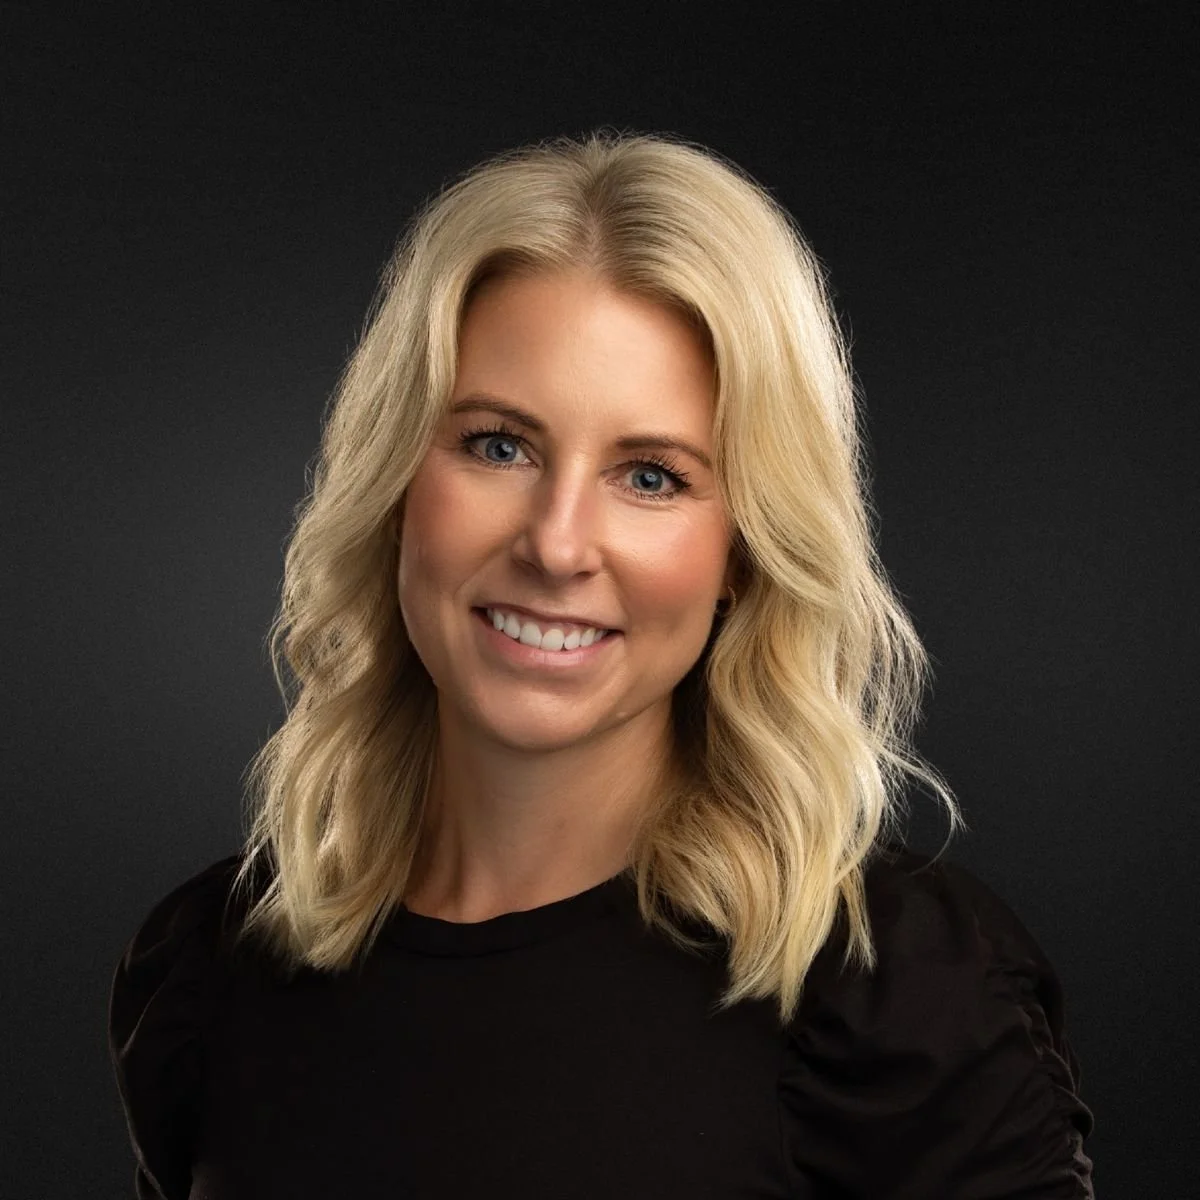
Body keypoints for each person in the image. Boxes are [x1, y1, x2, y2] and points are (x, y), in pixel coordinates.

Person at [108, 130, 1096, 1198]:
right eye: (498, 445)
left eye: (653, 477)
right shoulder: (212, 971)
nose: (557, 543)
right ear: (394, 485)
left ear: (744, 553)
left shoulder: (893, 998)